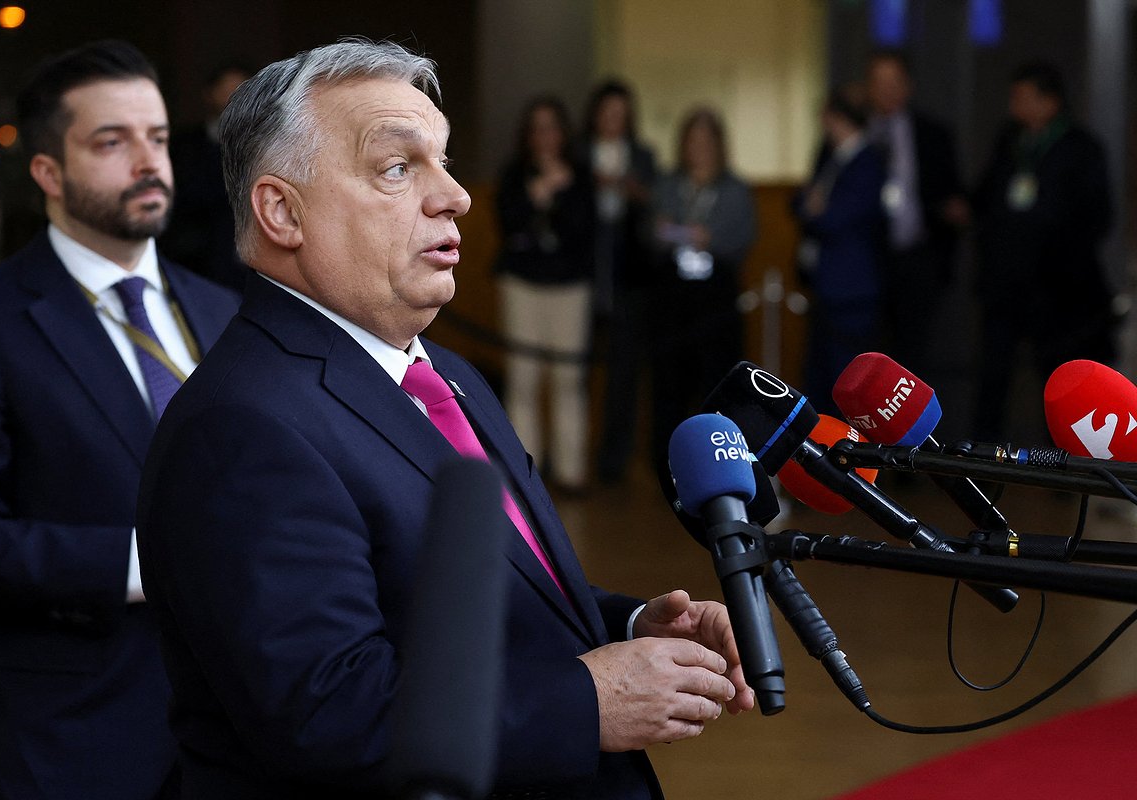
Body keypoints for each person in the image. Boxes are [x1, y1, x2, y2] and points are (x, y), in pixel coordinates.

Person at [136, 38, 753, 798]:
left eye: (445, 161)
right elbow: (329, 714)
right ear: (282, 211)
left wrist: (627, 628)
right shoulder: (240, 427)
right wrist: (587, 699)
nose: (456, 195)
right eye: (399, 167)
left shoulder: (444, 371)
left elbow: (477, 601)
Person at [0, 40, 239, 799]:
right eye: (112, 142)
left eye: (158, 138)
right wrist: (139, 564)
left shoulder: (223, 311)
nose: (148, 161)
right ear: (48, 172)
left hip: (232, 732)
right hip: (63, 741)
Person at [971, 61, 1116, 440]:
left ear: (1050, 102)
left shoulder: (1081, 148)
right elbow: (987, 197)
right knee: (994, 374)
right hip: (1005, 284)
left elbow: (1097, 218)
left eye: (1023, 97)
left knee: (1058, 378)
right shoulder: (1009, 140)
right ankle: (981, 456)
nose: (1014, 106)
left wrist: (1060, 258)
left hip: (1057, 291)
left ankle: (1060, 459)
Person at [494, 96, 595, 493]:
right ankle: (527, 474)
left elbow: (585, 232)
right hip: (523, 284)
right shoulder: (513, 174)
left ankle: (571, 471)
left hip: (570, 286)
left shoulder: (581, 175)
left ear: (563, 132)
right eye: (536, 128)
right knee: (523, 380)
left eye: (551, 127)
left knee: (569, 380)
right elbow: (508, 225)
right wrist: (537, 193)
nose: (544, 136)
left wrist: (562, 190)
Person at [650, 107, 757, 470]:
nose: (698, 147)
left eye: (705, 140)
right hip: (672, 299)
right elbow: (650, 234)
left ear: (718, 144)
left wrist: (709, 238)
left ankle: (717, 464)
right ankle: (668, 465)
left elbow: (744, 237)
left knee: (717, 384)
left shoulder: (735, 189)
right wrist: (671, 233)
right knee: (669, 385)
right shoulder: (668, 184)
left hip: (716, 300)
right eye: (692, 140)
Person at [865, 50, 967, 378]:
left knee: (913, 353)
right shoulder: (855, 133)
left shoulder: (932, 133)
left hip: (918, 256)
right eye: (879, 82)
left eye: (894, 82)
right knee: (869, 355)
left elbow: (952, 193)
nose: (887, 90)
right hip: (868, 260)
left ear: (908, 86)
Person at [793, 85, 888, 417]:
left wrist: (815, 208)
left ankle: (844, 445)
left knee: (845, 380)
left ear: (837, 118)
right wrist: (812, 207)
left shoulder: (866, 162)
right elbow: (802, 202)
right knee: (820, 380)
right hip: (825, 287)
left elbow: (834, 218)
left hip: (850, 291)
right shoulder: (831, 158)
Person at [583, 80, 659, 484]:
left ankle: (615, 460)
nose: (613, 120)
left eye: (620, 114)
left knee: (624, 376)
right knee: (574, 373)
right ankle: (570, 456)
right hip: (583, 274)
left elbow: (657, 209)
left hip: (631, 276)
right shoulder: (578, 153)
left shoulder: (643, 157)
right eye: (607, 112)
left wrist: (635, 192)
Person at [159, 61, 253, 292]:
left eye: (241, 89)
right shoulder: (184, 147)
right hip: (199, 260)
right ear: (209, 94)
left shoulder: (271, 145)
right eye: (226, 89)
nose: (233, 97)